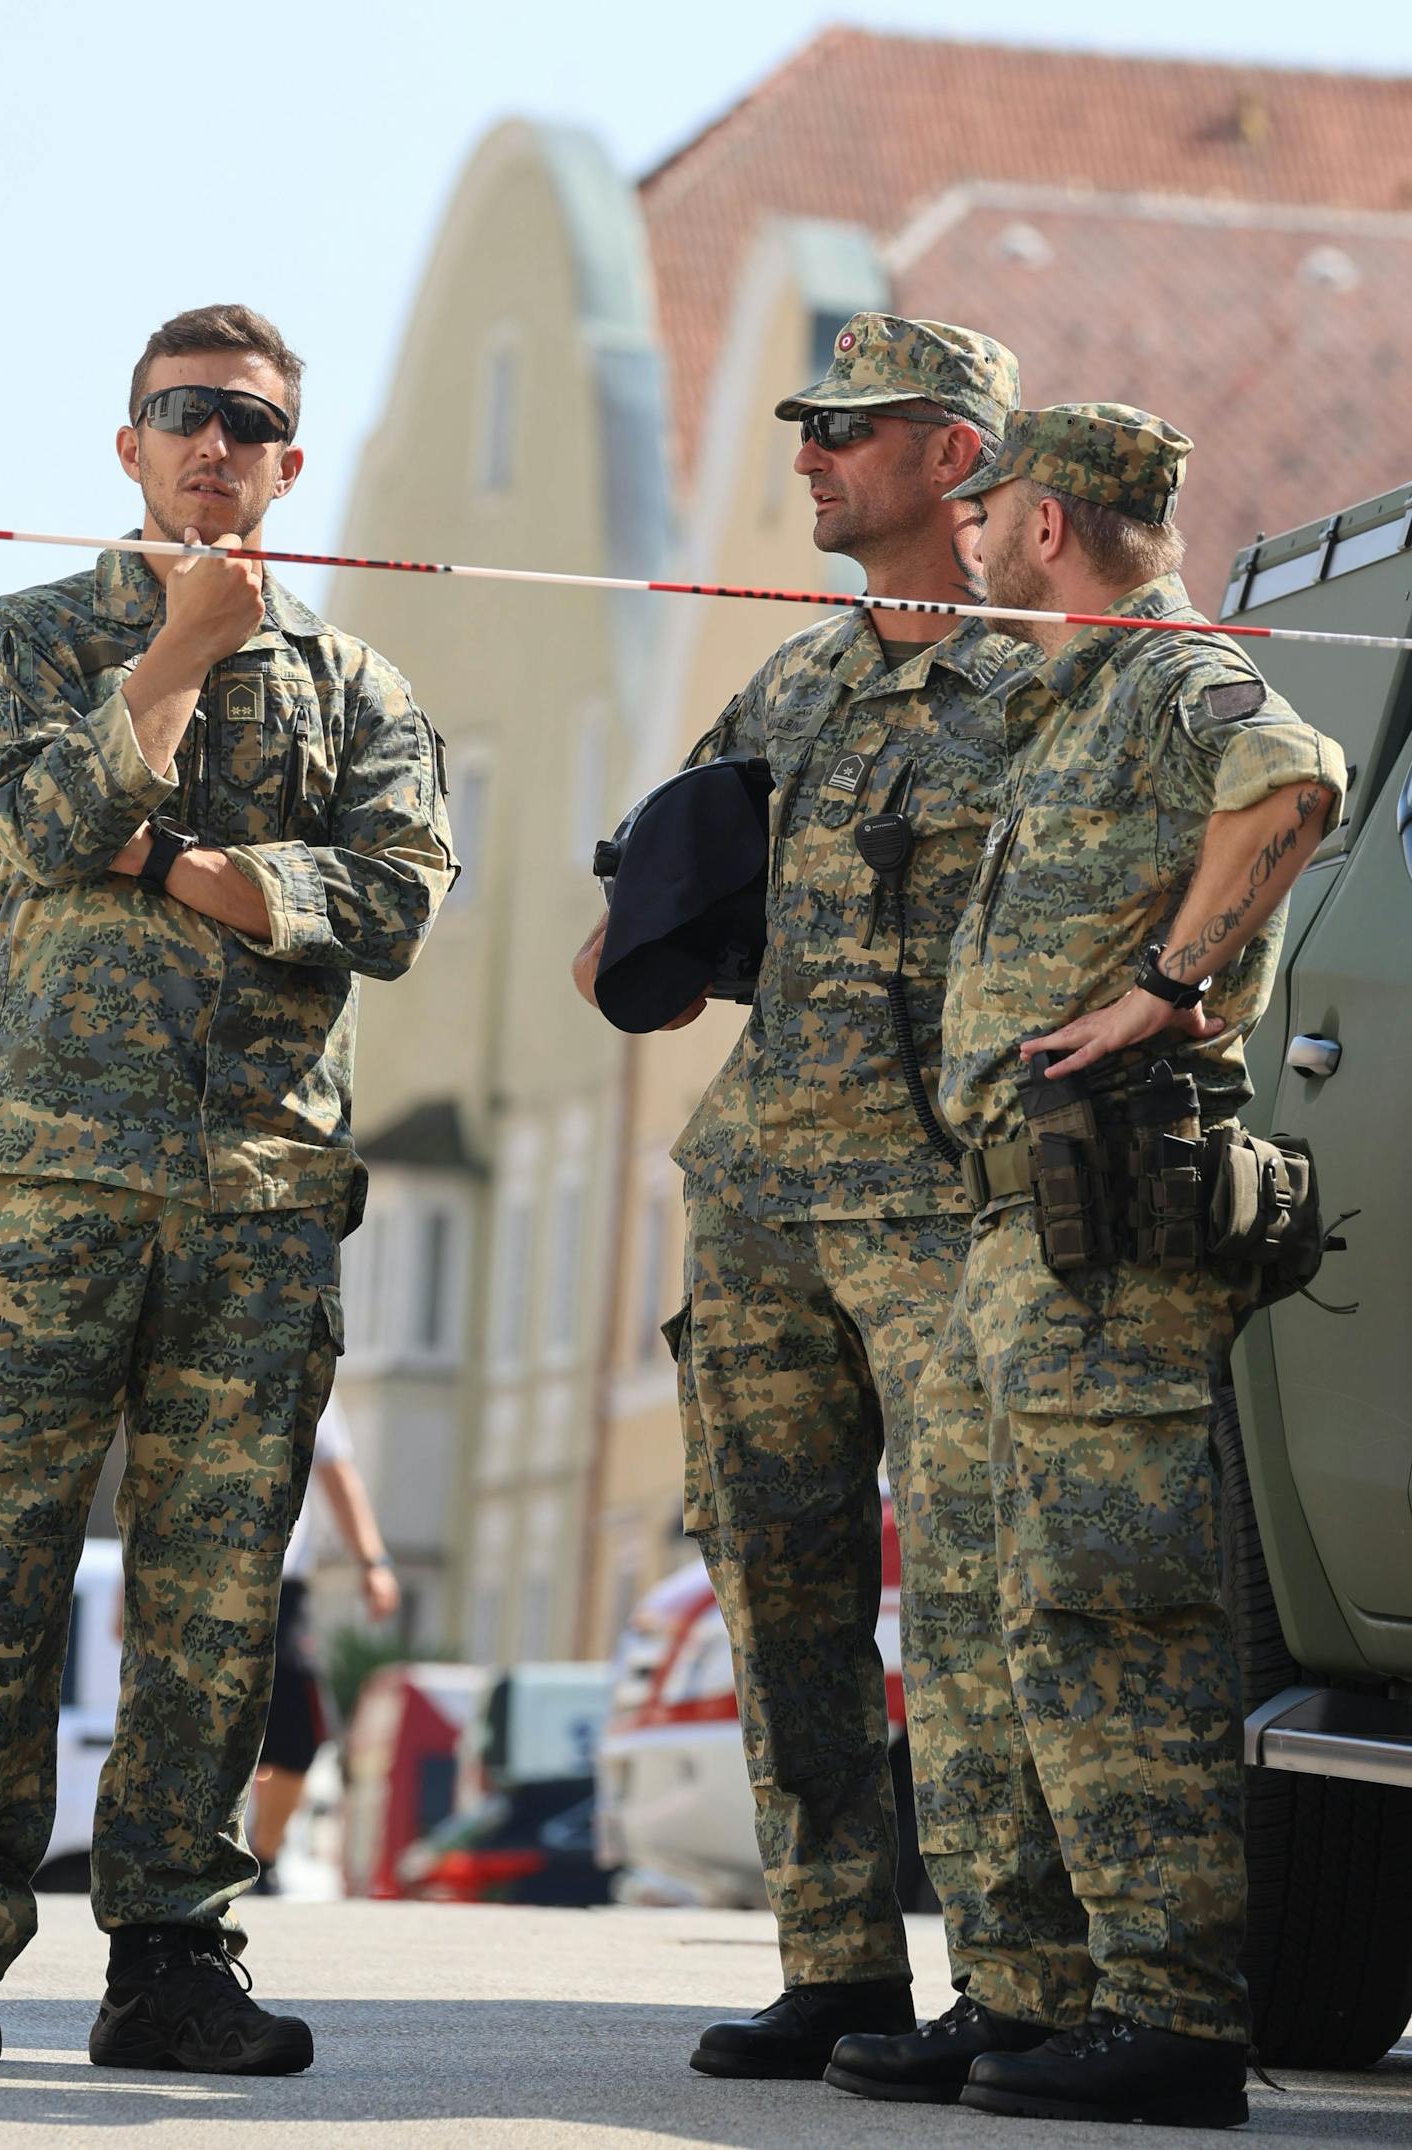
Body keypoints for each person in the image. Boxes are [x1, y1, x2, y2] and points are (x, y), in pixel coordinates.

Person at [0, 303, 456, 2077]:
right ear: (127, 446)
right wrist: (173, 657)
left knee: (213, 1586)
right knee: (0, 1558)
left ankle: (171, 1953)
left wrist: (171, 855)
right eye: (180, 415)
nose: (212, 446)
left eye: (246, 424)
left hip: (259, 1199)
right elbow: (36, 824)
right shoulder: (36, 636)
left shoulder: (358, 692)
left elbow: (393, 906)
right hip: (50, 1186)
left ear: (288, 462)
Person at [827, 405, 1344, 2128]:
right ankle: (1030, 1997)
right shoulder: (1065, 701)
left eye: (983, 509)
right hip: (1012, 1225)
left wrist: (1177, 990)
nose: (963, 534)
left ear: (1042, 520)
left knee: (1110, 1611)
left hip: (1111, 1224)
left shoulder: (1169, 672)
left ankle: (1174, 2018)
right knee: (981, 1623)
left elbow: (1297, 779)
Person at [575, 312, 1025, 2079]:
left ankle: (1014, 1982)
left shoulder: (1055, 683)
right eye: (805, 426)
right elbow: (658, 910)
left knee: (976, 1590)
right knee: (776, 1579)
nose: (810, 456)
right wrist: (647, 928)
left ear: (956, 459)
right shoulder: (797, 682)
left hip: (944, 1204)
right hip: (765, 1193)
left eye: (850, 428)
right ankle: (837, 1964)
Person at [250, 1392, 399, 1890]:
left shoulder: (302, 1358)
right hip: (192, 1577)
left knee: (299, 1730)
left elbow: (336, 1472)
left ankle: (261, 1859)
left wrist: (372, 1562)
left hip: (279, 1586)